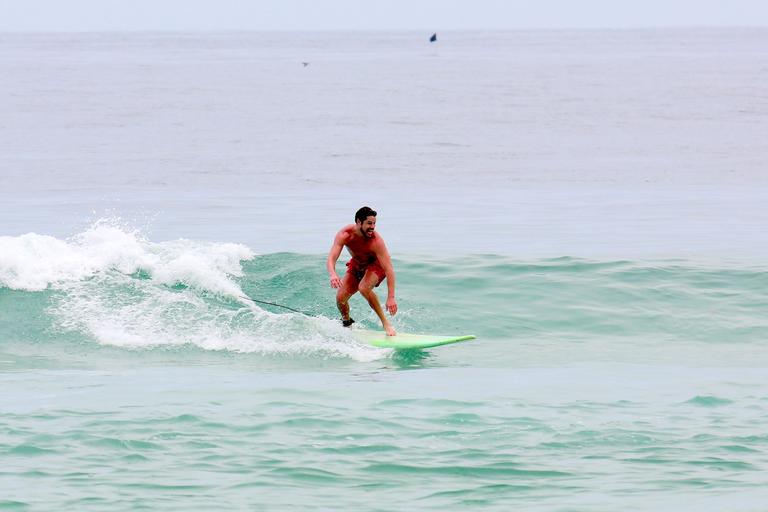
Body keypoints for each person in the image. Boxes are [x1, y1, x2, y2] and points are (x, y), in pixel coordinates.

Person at [327, 206, 398, 336]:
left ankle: (386, 323)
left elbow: (389, 270)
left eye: (374, 223)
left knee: (364, 288)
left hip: (376, 265)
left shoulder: (376, 242)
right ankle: (347, 322)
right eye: (369, 223)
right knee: (340, 298)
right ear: (359, 222)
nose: (372, 227)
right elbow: (331, 258)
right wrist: (333, 274)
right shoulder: (345, 235)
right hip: (358, 264)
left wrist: (391, 298)